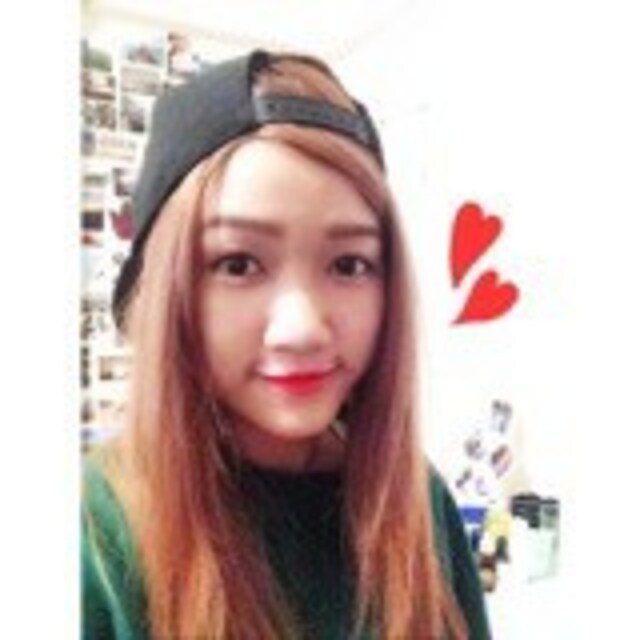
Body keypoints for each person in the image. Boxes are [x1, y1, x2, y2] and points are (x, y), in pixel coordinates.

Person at [82, 49, 492, 640]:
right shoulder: (95, 534)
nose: (302, 329)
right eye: (238, 264)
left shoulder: (418, 502)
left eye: (349, 264)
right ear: (167, 292)